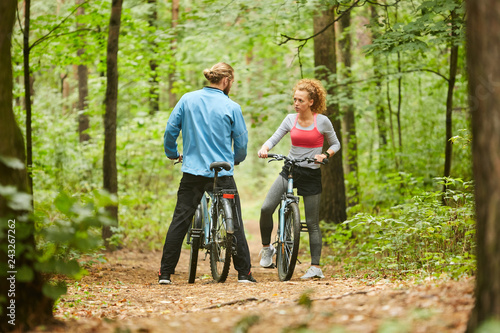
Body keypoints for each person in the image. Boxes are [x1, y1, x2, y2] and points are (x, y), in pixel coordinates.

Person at [159, 62, 256, 284]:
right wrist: (236, 160)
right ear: (226, 81)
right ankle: (244, 274)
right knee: (236, 221)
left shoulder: (187, 99)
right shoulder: (232, 107)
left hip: (192, 171)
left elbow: (171, 130)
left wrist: (172, 153)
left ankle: (165, 273)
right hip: (222, 172)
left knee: (180, 220)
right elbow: (241, 142)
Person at [257, 78, 341, 279]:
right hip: (291, 170)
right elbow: (274, 137)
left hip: (311, 173)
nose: (296, 103)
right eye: (295, 99)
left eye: (300, 100)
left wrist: (324, 155)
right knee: (266, 208)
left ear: (311, 102)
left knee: (312, 222)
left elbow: (335, 144)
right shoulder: (289, 119)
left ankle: (315, 267)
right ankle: (267, 249)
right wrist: (265, 147)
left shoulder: (322, 121)